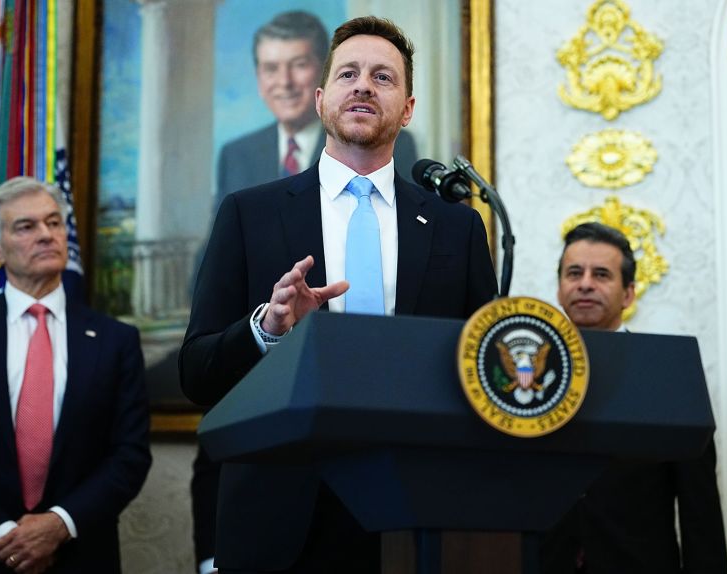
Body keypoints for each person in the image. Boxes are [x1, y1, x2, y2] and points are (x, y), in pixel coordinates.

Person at [180, 15, 496, 574]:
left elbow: (481, 376)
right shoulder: (248, 214)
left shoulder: (457, 228)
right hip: (283, 518)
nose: (364, 86)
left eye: (383, 76)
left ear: (408, 108)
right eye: (349, 73)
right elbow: (197, 373)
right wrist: (267, 330)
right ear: (323, 99)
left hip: (418, 515)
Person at [0, 176, 152, 573]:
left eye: (54, 223)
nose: (46, 235)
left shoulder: (115, 339)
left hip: (80, 554)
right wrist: (1, 532)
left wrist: (59, 524)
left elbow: (130, 453)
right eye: (26, 226)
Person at [540, 222, 727, 574]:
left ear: (628, 293)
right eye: (574, 273)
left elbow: (699, 510)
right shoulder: (530, 374)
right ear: (560, 287)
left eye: (601, 275)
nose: (585, 284)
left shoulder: (666, 375)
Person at [215, 10, 418, 206]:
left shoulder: (403, 149)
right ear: (319, 100)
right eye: (347, 74)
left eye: (300, 65)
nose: (285, 82)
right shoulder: (235, 157)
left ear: (407, 110)